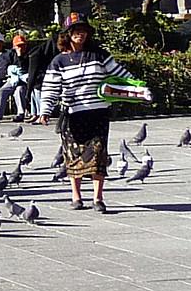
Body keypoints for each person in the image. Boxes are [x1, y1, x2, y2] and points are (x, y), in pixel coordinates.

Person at [40, 20, 129, 213]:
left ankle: (98, 198)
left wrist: (138, 89)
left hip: (98, 113)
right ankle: (76, 196)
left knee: (98, 155)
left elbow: (121, 75)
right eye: (76, 31)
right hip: (73, 115)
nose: (80, 34)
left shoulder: (100, 55)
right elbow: (50, 88)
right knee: (73, 155)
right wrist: (45, 110)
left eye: (83, 31)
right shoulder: (59, 61)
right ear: (67, 34)